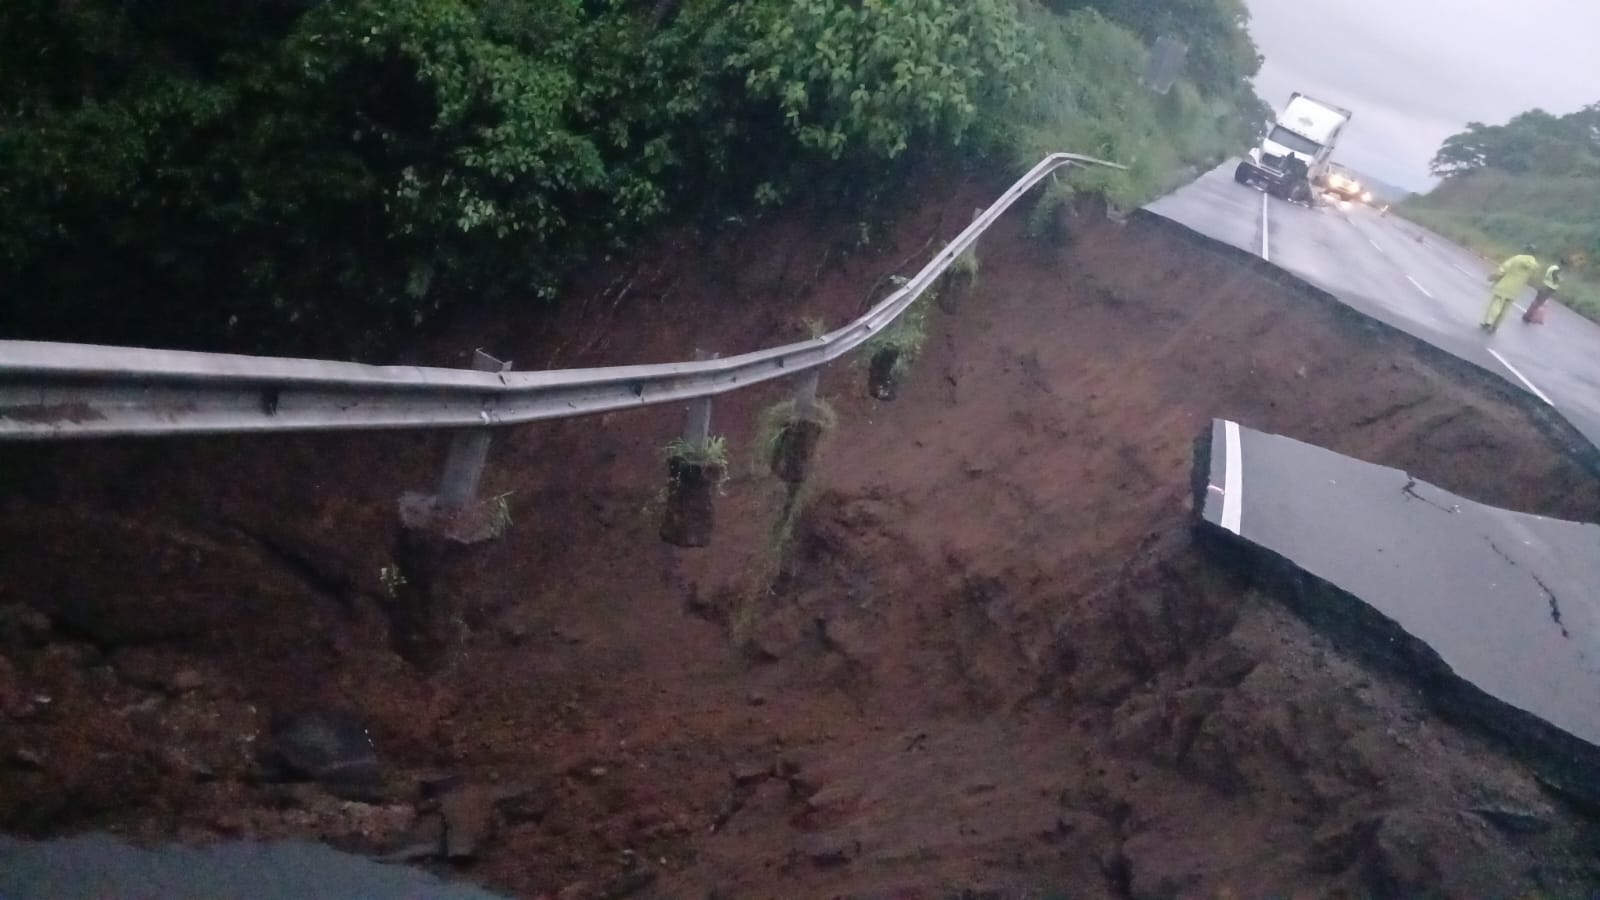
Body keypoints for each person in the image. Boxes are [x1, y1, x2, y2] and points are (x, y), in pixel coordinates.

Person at [1481, 245, 1540, 334]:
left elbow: (1502, 270)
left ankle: (1488, 322)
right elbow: (1532, 278)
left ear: (1526, 250)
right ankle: (1495, 327)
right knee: (1505, 309)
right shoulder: (1535, 266)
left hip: (1504, 285)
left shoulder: (1517, 258)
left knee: (1496, 304)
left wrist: (1492, 277)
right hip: (1516, 290)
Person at [1522, 256, 1567, 325]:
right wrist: (1560, 280)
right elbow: (1555, 279)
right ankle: (1528, 317)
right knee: (1537, 303)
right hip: (1548, 288)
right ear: (1563, 265)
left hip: (1545, 286)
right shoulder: (1557, 269)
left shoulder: (1553, 267)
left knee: (1537, 302)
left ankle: (1528, 316)